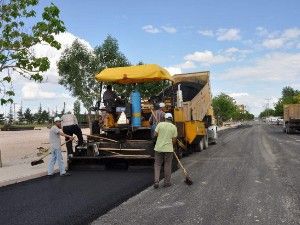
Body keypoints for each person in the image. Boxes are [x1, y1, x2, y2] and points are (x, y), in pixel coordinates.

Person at [153, 113, 178, 188]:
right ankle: (167, 182)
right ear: (171, 119)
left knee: (157, 164)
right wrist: (171, 144)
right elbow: (174, 140)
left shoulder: (160, 124)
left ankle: (156, 181)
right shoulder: (174, 127)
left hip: (158, 148)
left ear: (165, 118)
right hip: (168, 149)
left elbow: (155, 135)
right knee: (167, 165)